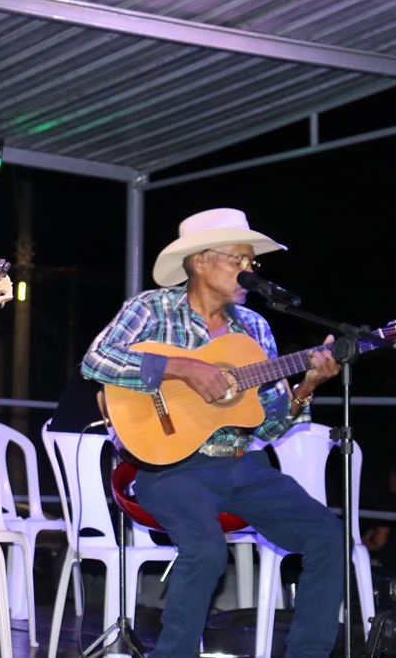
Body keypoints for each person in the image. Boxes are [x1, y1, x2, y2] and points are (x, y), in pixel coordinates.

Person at [82, 208, 343, 658]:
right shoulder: (151, 307)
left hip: (244, 466)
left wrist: (307, 386)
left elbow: (270, 423)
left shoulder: (254, 328)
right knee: (206, 552)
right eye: (237, 259)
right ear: (200, 261)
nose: (248, 270)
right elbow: (96, 361)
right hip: (172, 469)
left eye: (251, 263)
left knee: (327, 535)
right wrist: (180, 367)